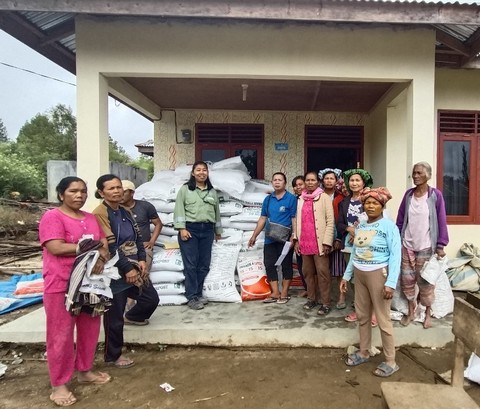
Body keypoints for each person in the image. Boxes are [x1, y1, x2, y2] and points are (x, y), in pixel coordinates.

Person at [39, 177, 111, 407]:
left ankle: (84, 370)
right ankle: (59, 383)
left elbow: (103, 242)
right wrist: (89, 247)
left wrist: (102, 255)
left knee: (90, 328)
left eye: (83, 191)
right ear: (61, 194)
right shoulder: (53, 217)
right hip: (61, 284)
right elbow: (56, 247)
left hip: (90, 283)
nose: (79, 195)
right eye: (73, 191)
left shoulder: (90, 218)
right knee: (60, 334)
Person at [93, 174, 159, 368]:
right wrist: (127, 268)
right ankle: (113, 355)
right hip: (114, 270)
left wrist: (141, 259)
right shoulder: (100, 213)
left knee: (150, 298)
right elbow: (111, 247)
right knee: (114, 316)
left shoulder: (125, 211)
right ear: (101, 192)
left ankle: (133, 316)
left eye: (118, 187)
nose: (116, 191)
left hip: (133, 264)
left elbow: (138, 238)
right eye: (111, 188)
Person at [340, 187, 401, 378]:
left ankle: (391, 360)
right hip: (360, 274)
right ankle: (364, 351)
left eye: (375, 203)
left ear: (382, 206)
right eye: (368, 203)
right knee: (362, 315)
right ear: (363, 206)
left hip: (379, 275)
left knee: (383, 319)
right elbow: (355, 254)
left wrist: (390, 282)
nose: (371, 206)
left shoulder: (389, 226)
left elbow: (396, 255)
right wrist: (346, 276)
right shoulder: (362, 226)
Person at [396, 161, 449, 329]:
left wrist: (441, 245)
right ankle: (411, 311)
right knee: (407, 280)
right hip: (407, 245)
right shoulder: (408, 195)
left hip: (426, 246)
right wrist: (397, 238)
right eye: (414, 173)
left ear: (428, 175)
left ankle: (427, 313)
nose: (416, 176)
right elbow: (400, 218)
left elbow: (441, 221)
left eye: (419, 173)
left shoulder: (435, 195)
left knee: (425, 282)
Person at [173, 161, 222, 310]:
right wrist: (182, 228)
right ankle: (192, 297)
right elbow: (179, 209)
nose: (202, 172)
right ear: (193, 173)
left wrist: (217, 232)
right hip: (190, 230)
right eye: (198, 170)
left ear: (207, 173)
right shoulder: (185, 189)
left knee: (204, 265)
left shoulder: (212, 192)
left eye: (204, 170)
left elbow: (217, 213)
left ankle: (198, 294)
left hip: (207, 230)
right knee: (191, 265)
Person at [248, 172, 297, 304]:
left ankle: (285, 292)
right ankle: (275, 292)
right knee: (269, 264)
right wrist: (254, 235)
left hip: (285, 238)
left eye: (280, 180)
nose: (277, 182)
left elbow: (294, 218)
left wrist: (294, 236)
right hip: (270, 237)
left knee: (286, 265)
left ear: (284, 183)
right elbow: (263, 218)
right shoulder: (268, 199)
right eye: (274, 180)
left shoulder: (291, 199)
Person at [337, 168, 376, 325]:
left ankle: (371, 310)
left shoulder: (371, 199)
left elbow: (376, 219)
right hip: (349, 244)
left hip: (368, 244)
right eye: (351, 180)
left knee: (369, 276)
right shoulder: (344, 203)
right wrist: (349, 229)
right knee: (353, 277)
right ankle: (359, 307)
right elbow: (339, 223)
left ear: (363, 182)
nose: (354, 183)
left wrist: (360, 232)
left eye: (357, 180)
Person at [293, 171, 334, 315]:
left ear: (318, 182)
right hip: (305, 242)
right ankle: (312, 299)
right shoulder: (300, 199)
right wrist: (296, 239)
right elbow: (297, 221)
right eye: (307, 180)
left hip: (319, 243)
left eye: (313, 180)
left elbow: (330, 221)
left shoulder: (324, 198)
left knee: (323, 273)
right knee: (307, 272)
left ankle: (326, 302)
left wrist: (327, 242)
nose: (310, 182)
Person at [318, 168, 346, 309]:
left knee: (338, 270)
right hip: (321, 237)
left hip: (337, 238)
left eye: (332, 178)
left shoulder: (341, 198)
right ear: (322, 180)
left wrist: (338, 239)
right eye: (326, 178)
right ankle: (324, 297)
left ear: (336, 181)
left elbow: (342, 220)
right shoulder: (318, 196)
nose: (329, 180)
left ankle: (341, 297)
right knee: (322, 269)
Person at [121, 180, 163, 272]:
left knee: (142, 272)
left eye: (124, 192)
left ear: (132, 193)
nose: (120, 194)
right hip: (123, 247)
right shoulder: (115, 209)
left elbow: (158, 224)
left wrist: (152, 241)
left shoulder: (145, 206)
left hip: (143, 246)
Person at [291, 175, 307, 297]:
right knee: (301, 264)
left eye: (300, 184)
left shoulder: (312, 199)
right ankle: (307, 288)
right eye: (296, 185)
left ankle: (314, 290)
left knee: (312, 266)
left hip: (311, 237)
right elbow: (294, 219)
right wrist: (295, 237)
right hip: (298, 236)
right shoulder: (294, 200)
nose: (298, 187)